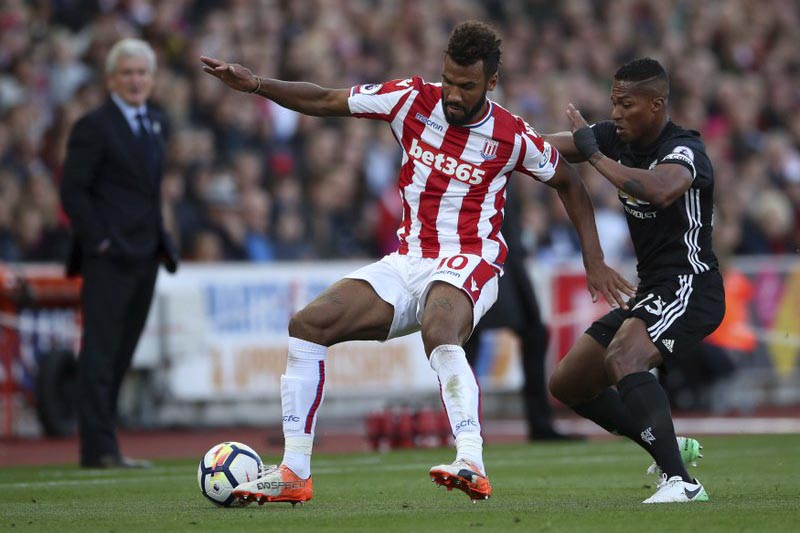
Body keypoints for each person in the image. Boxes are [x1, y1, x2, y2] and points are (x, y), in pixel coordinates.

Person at [201, 20, 632, 504]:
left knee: (438, 328)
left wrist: (593, 259)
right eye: (448, 80)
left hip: (471, 258)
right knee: (307, 325)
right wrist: (257, 84)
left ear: (491, 82)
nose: (453, 94)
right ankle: (294, 471)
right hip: (408, 260)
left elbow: (569, 183)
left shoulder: (511, 134)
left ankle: (471, 459)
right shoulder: (410, 99)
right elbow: (324, 99)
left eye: (466, 85)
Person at [544, 58, 725, 504]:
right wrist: (488, 137)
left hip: (690, 285)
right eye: (614, 103)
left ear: (656, 104)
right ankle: (663, 443)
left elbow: (660, 189)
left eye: (627, 105)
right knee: (568, 383)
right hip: (652, 288)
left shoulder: (685, 150)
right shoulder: (614, 138)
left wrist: (595, 155)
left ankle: (682, 482)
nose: (616, 113)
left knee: (625, 357)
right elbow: (543, 146)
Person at [60, 38, 178, 469]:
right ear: (111, 79)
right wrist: (101, 242)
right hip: (109, 257)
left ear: (152, 78)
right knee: (100, 352)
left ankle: (107, 444)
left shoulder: (156, 123)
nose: (135, 80)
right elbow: (73, 191)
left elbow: (149, 192)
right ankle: (97, 449)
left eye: (142, 72)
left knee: (123, 352)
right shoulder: (93, 126)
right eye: (127, 73)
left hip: (146, 254)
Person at [462, 187, 577, 441]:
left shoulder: (501, 178)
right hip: (484, 262)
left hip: (508, 263)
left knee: (532, 335)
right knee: (470, 343)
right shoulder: (481, 173)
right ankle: (466, 426)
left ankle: (535, 423)